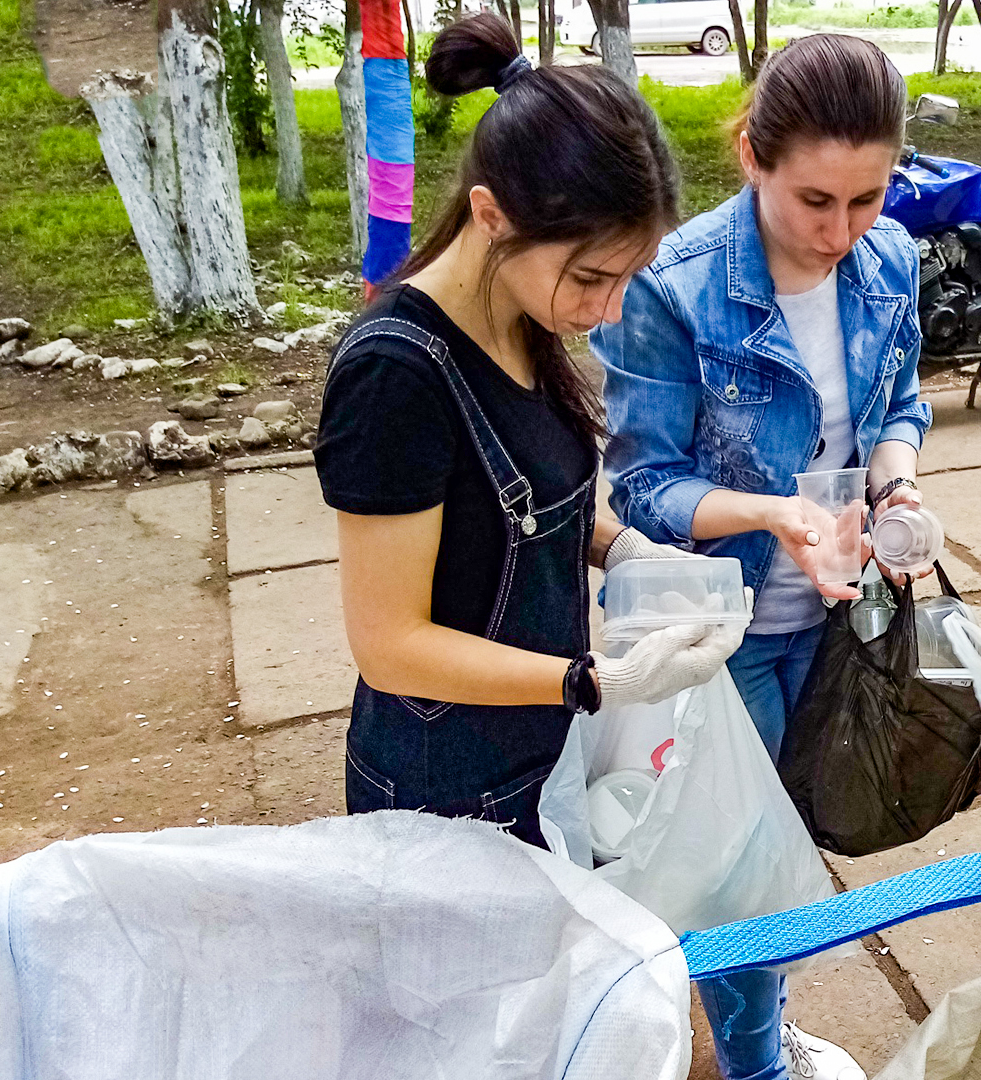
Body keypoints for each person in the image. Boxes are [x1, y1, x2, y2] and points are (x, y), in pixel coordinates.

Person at [315, 15, 740, 854]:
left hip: (538, 756)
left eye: (625, 279)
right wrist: (590, 680)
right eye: (590, 278)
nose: (608, 309)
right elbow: (388, 644)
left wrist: (622, 548)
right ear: (491, 215)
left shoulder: (518, 313)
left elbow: (521, 503)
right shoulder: (395, 377)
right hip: (445, 794)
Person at [590, 33, 928, 1080]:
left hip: (832, 615)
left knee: (782, 852)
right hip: (716, 629)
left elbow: (898, 408)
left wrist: (900, 484)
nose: (840, 232)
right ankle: (754, 1065)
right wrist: (776, 514)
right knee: (734, 870)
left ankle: (759, 1031)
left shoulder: (891, 262)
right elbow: (643, 487)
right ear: (751, 156)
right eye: (813, 201)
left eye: (866, 198)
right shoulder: (673, 287)